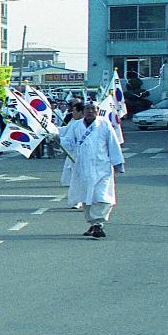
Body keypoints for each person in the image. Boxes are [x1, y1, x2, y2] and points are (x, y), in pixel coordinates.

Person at [67, 102, 125, 238]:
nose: (90, 111)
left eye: (93, 109)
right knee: (87, 197)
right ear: (83, 111)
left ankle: (99, 223)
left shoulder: (104, 124)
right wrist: (57, 139)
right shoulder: (76, 125)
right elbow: (69, 142)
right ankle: (93, 223)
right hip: (83, 167)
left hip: (102, 168)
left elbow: (113, 144)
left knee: (102, 196)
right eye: (87, 109)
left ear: (98, 111)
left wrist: (118, 163)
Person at [59, 100, 86, 208]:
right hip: (75, 155)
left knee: (85, 179)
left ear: (80, 112)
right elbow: (66, 133)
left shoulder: (96, 124)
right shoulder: (74, 123)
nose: (72, 113)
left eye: (74, 111)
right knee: (76, 179)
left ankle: (85, 200)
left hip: (88, 157)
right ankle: (78, 200)